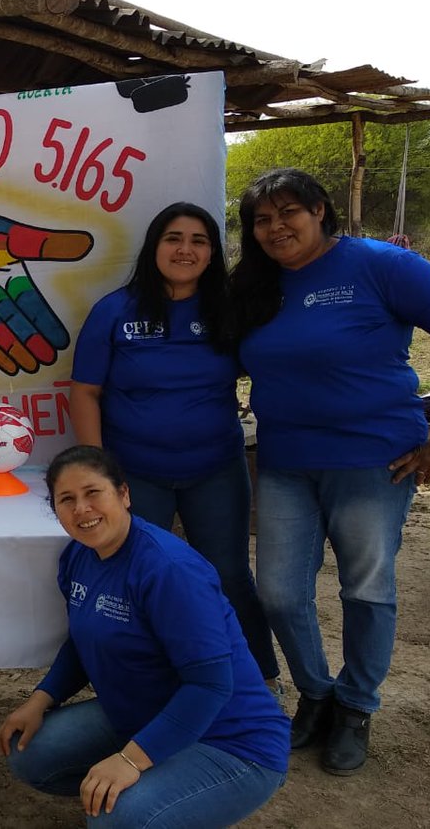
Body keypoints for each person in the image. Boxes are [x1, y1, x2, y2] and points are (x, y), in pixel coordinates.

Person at [231, 167, 430, 775]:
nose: (276, 228)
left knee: (366, 589)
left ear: (321, 210)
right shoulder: (254, 285)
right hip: (286, 462)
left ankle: (356, 707)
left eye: (288, 212)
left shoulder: (380, 265)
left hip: (375, 462)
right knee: (277, 592)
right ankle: (316, 693)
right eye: (262, 220)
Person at [0, 445, 288, 828]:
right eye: (66, 500)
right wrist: (40, 699)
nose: (81, 508)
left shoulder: (168, 569)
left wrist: (131, 760)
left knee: (115, 819)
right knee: (30, 753)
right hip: (145, 714)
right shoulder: (78, 557)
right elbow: (83, 641)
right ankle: (164, 788)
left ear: (124, 494)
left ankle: (176, 796)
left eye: (93, 493)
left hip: (232, 741)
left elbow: (211, 686)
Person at [69, 202, 279, 686]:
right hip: (136, 473)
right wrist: (98, 469)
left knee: (227, 575)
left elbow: (275, 365)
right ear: (154, 247)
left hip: (216, 469)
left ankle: (260, 681)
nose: (185, 249)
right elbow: (85, 391)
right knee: (138, 577)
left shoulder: (231, 309)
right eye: (173, 238)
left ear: (211, 254)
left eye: (199, 241)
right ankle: (147, 683)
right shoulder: (114, 311)